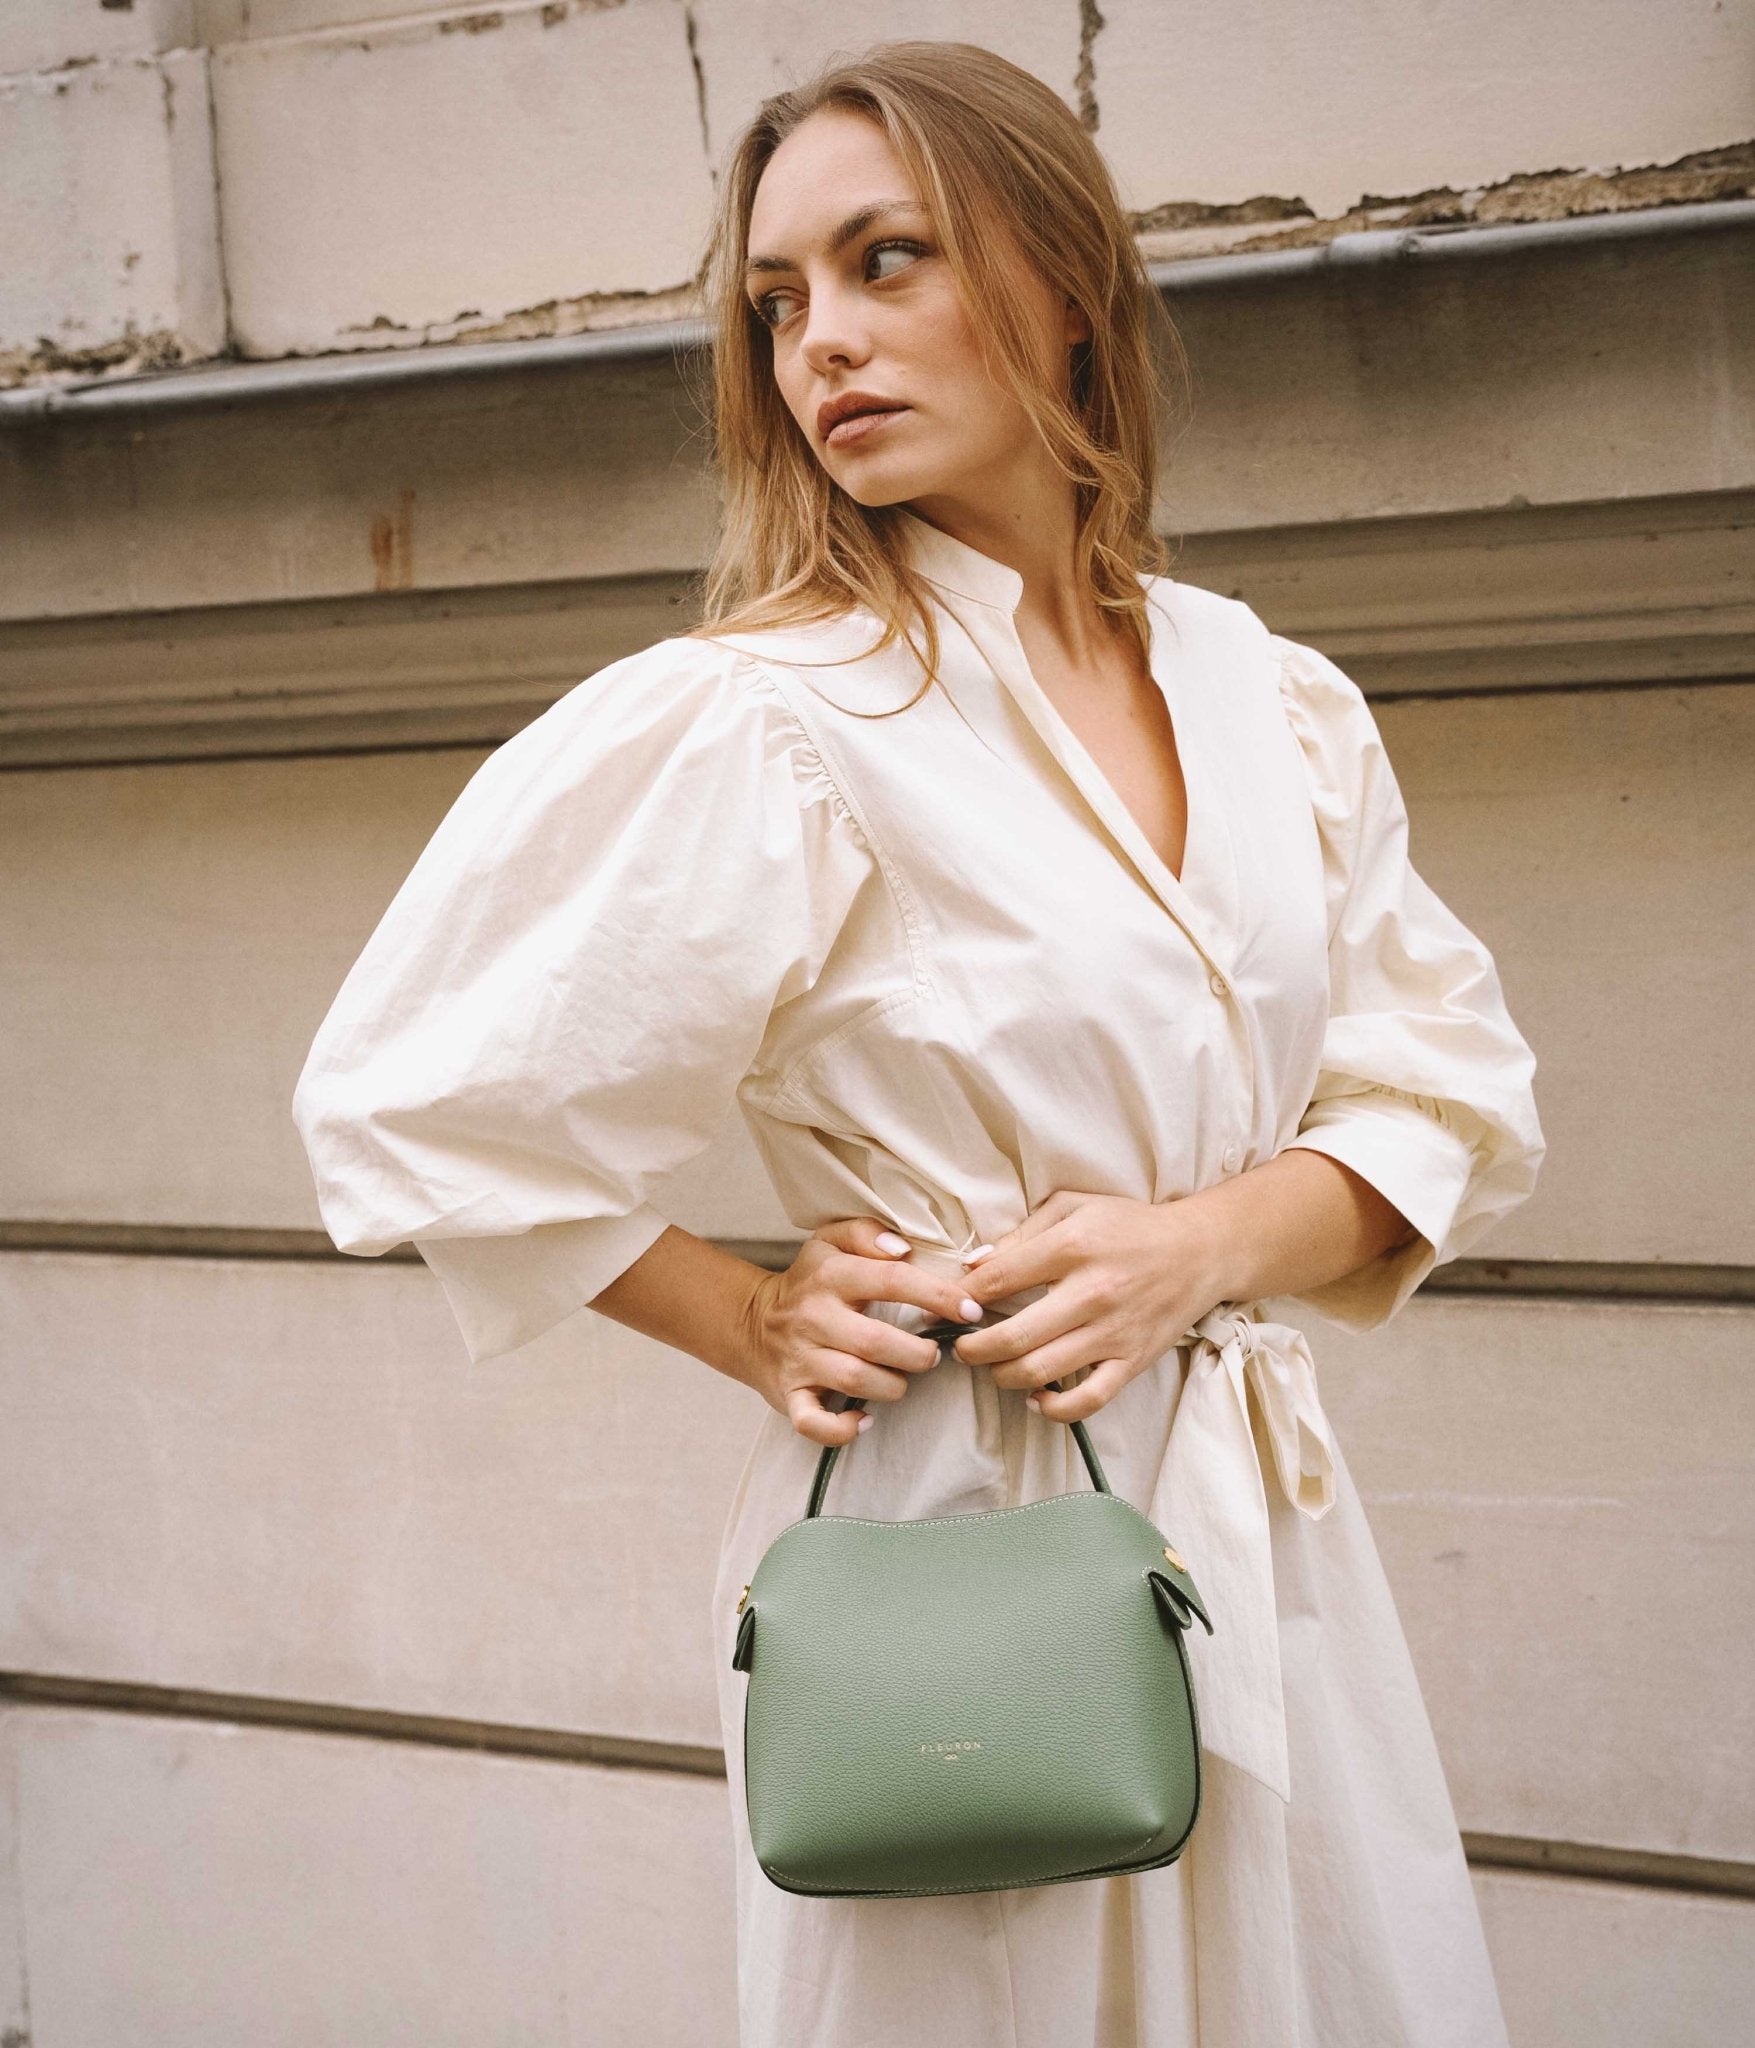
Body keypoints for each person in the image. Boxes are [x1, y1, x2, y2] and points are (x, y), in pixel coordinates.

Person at [292, 39, 1545, 2048]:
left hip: (1261, 1528)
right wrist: (744, 1313)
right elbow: (413, 1102)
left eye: (888, 260)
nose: (823, 343)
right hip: (961, 1564)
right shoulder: (767, 717)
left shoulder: (1268, 697)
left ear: (1065, 283)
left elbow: (1442, 1090)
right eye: (777, 300)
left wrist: (1197, 1248)